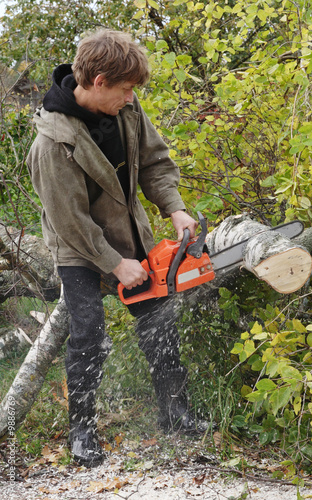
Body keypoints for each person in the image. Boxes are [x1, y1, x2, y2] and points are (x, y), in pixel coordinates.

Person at [27, 29, 210, 468]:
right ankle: (82, 432)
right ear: (99, 80)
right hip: (79, 248)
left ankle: (174, 412)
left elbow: (154, 160)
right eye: (126, 89)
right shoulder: (52, 142)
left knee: (158, 323)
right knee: (89, 333)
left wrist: (175, 208)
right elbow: (70, 222)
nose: (131, 98)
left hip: (129, 232)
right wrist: (113, 264)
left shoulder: (126, 109)